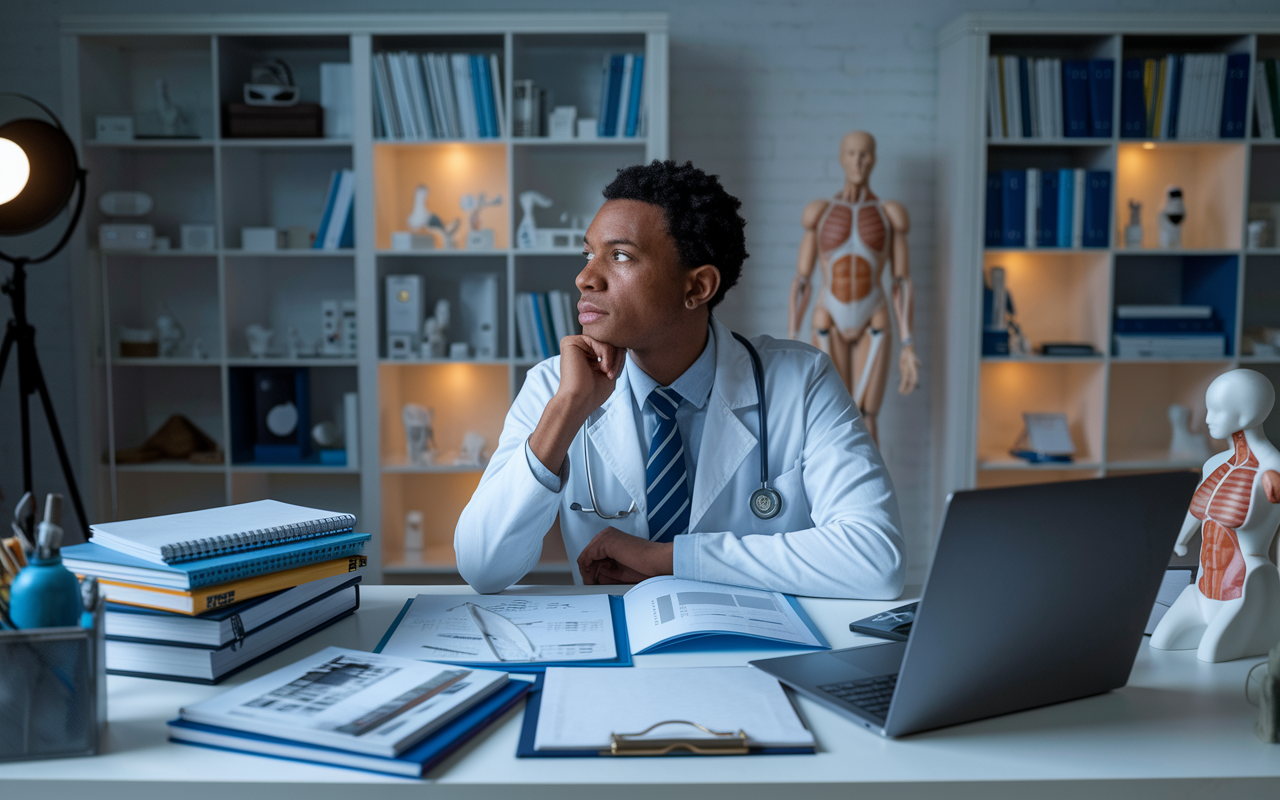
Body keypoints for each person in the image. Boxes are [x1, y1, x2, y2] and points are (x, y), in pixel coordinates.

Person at [454, 160, 905, 599]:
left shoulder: (801, 380)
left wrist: (670, 559)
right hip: (618, 656)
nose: (585, 277)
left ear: (697, 288)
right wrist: (566, 410)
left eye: (620, 256)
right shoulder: (556, 386)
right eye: (589, 253)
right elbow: (482, 567)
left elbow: (876, 560)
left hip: (752, 655)